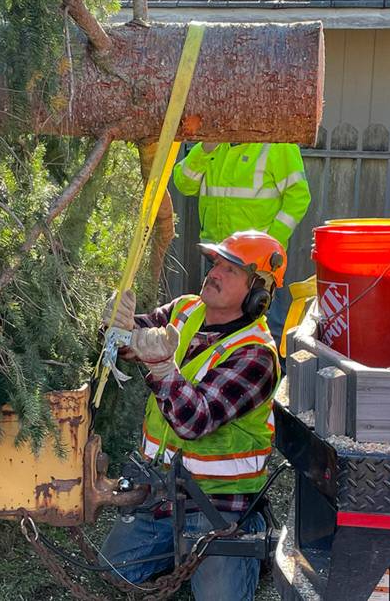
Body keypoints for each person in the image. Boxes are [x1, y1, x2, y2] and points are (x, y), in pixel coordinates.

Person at [100, 230, 286, 601]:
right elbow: (141, 335)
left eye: (230, 269)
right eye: (216, 262)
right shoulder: (186, 309)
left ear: (257, 295)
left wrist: (163, 369)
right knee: (112, 573)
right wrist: (118, 328)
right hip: (162, 495)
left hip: (217, 507)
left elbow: (193, 421)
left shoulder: (256, 356)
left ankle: (247, 542)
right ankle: (181, 554)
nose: (214, 272)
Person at [172, 142, 310, 345]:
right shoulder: (213, 145)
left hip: (258, 267)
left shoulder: (277, 144)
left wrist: (269, 246)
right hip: (219, 258)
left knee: (267, 328)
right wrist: (205, 149)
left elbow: (298, 197)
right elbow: (184, 184)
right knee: (217, 326)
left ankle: (276, 373)